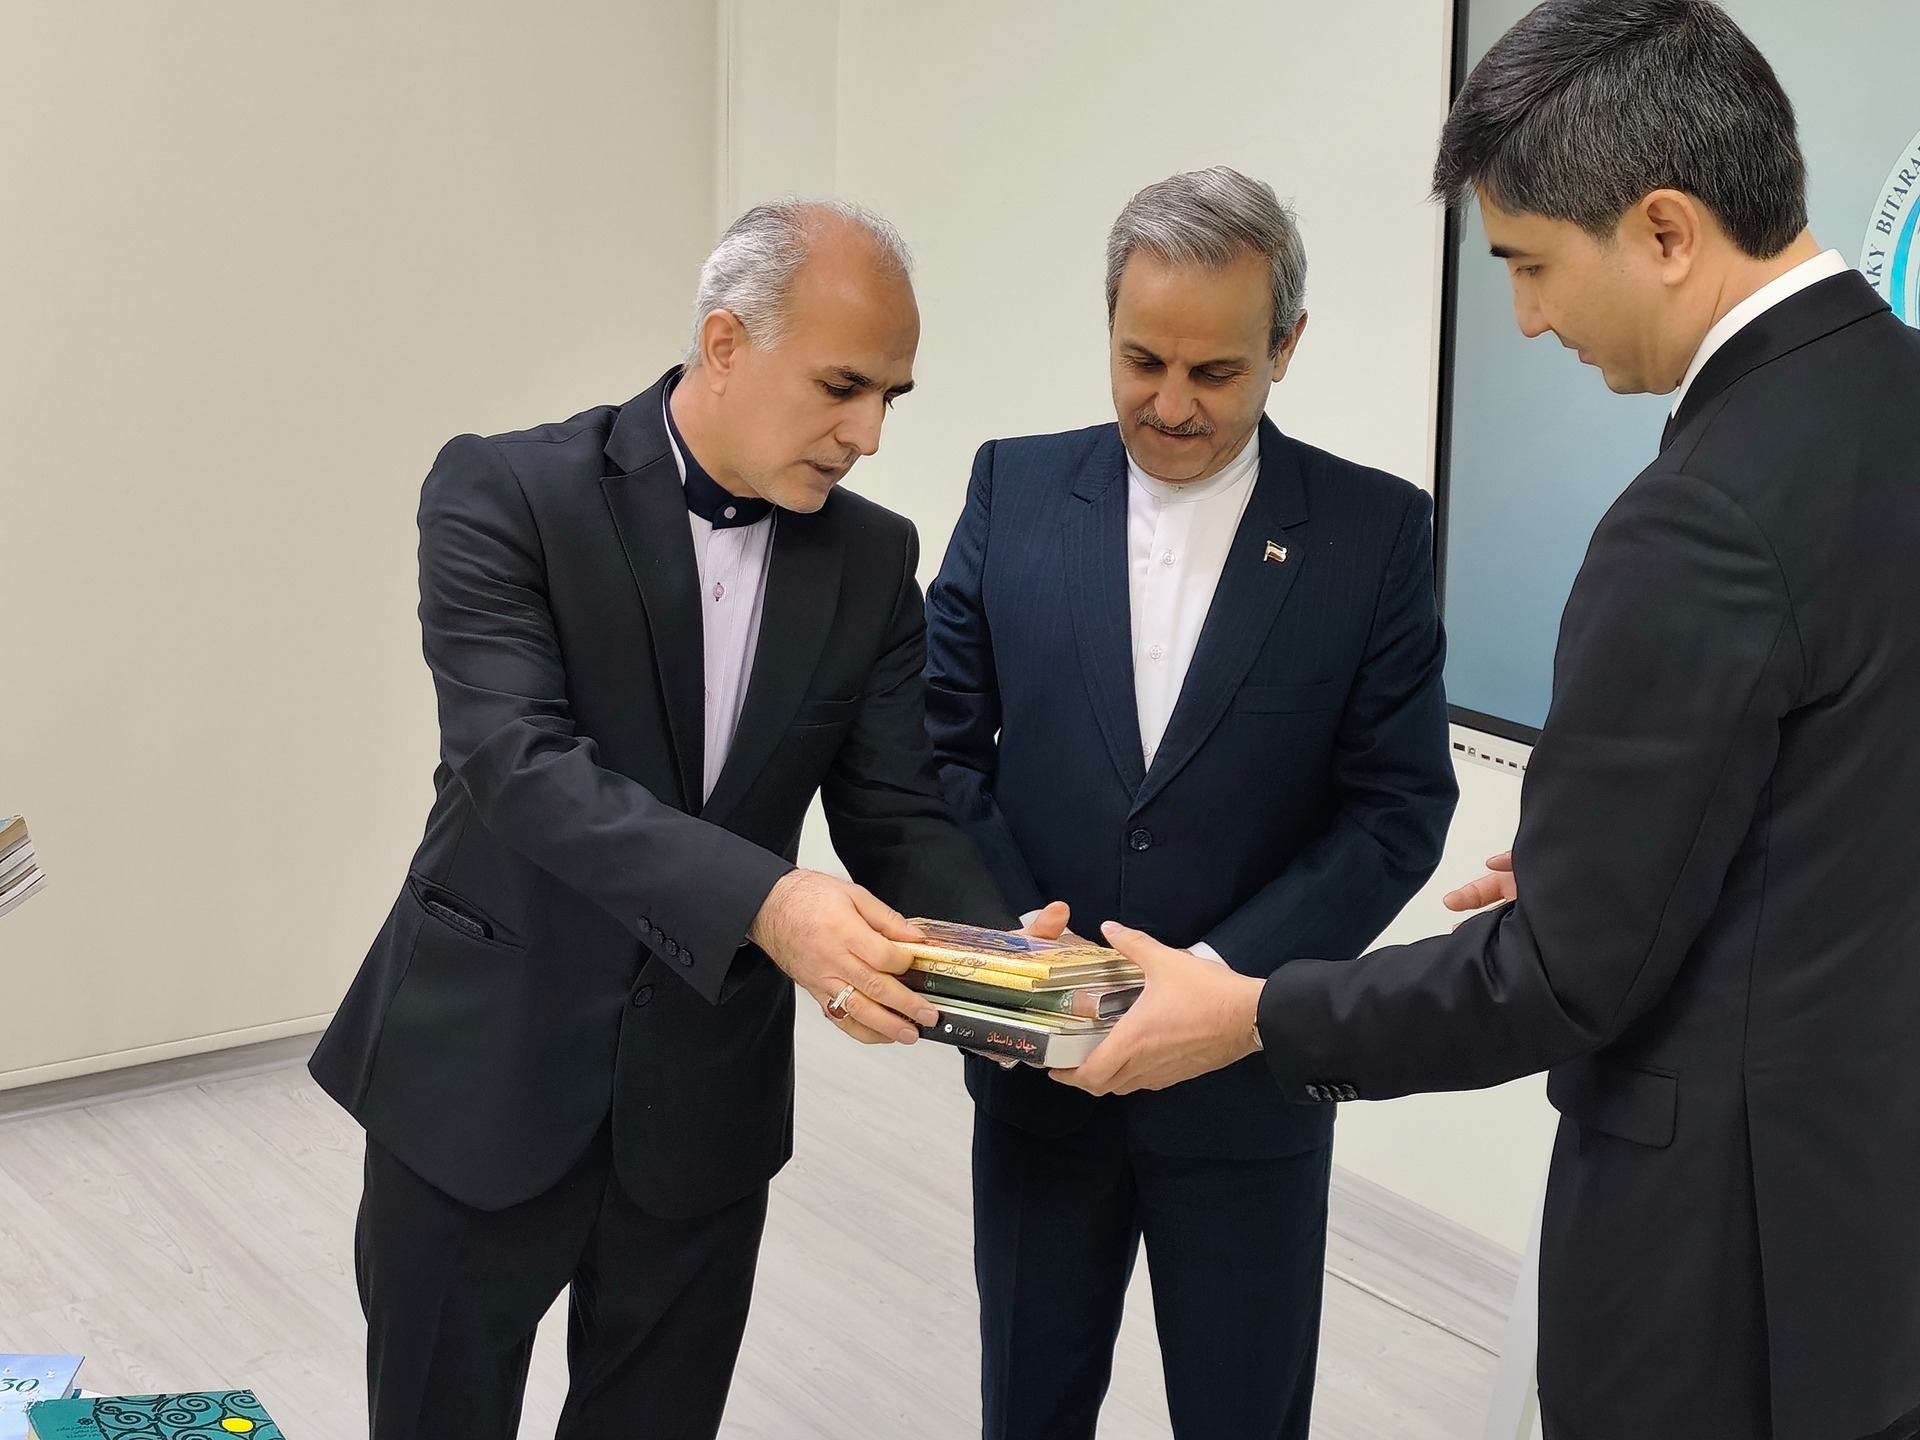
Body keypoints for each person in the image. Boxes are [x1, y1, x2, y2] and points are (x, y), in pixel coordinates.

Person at [1055, 6, 1920, 1440]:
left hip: (1724, 1272)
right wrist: (1657, 861)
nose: (1524, 319)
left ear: (1663, 231)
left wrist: (1256, 1013)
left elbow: (1565, 976)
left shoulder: (1698, 518)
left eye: (1529, 263)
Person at [309, 199, 1045, 1440]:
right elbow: (518, 765)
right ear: (724, 344)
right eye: (843, 387)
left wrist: (1009, 970)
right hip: (482, 1074)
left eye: (891, 399)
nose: (869, 434)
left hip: (705, 1104)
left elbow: (898, 811)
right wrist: (770, 902)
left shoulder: (873, 560)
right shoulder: (504, 490)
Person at [924, 167, 1457, 1440]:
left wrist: (1219, 989)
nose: (1170, 405)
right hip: (1039, 1065)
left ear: (1287, 346)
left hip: (1245, 1085)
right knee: (1028, 1404)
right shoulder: (1010, 488)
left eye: (1214, 372)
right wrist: (1023, 967)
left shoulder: (1375, 533)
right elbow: (938, 752)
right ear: (1108, 325)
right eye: (1141, 361)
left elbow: (1395, 807)